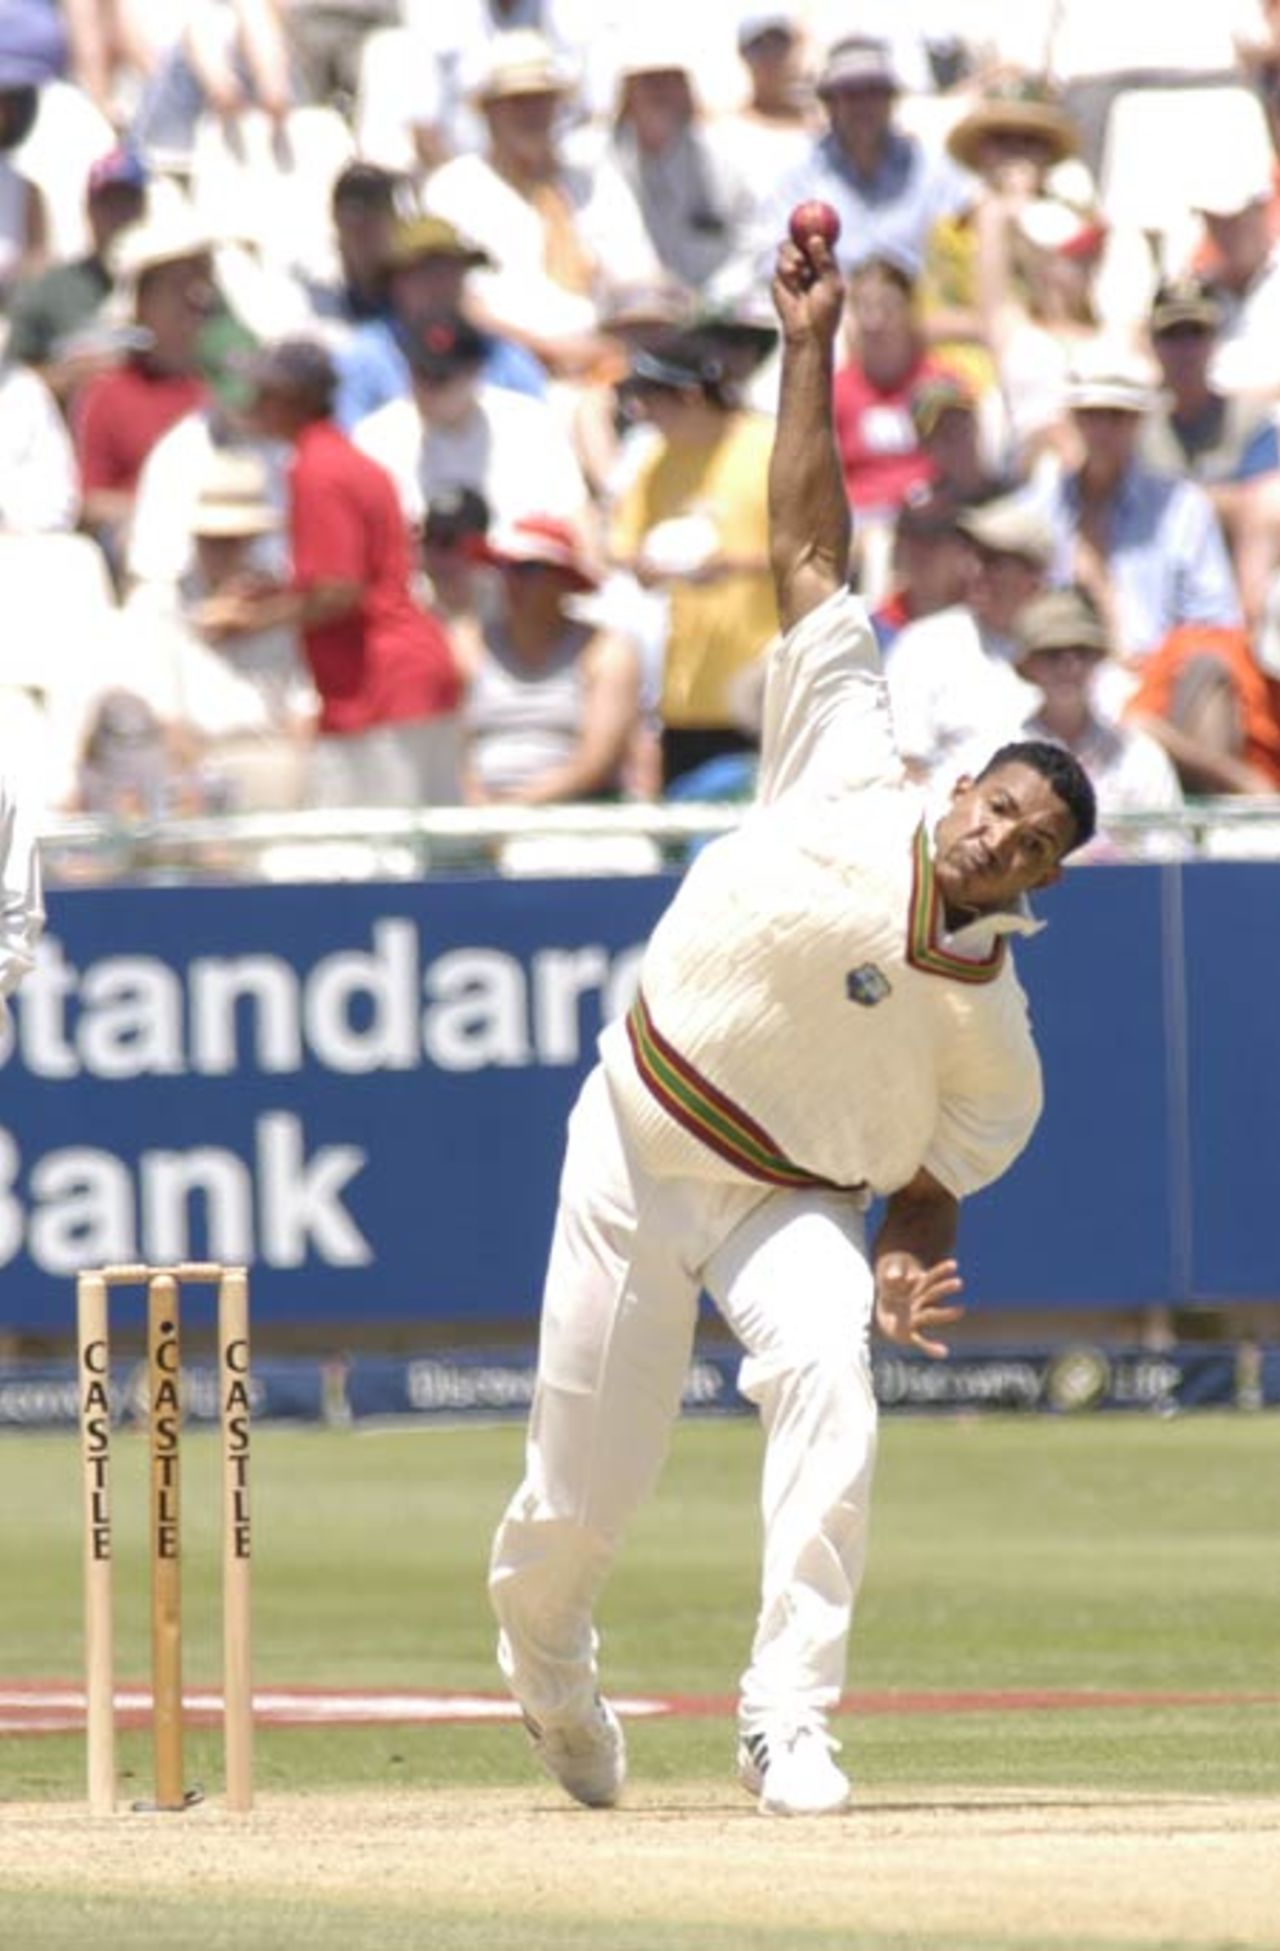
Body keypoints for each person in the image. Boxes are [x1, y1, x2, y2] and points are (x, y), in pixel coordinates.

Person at [487, 229, 1097, 1819]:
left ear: (1040, 879)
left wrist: (909, 1235)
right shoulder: (850, 754)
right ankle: (548, 1659)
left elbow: (941, 1166)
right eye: (1003, 808)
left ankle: (788, 1714)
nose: (1001, 839)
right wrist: (807, 343)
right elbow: (812, 545)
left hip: (786, 1200)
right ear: (966, 787)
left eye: (1034, 845)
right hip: (638, 1136)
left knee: (834, 1364)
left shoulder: (996, 1029)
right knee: (583, 1494)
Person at [226, 336, 462, 808]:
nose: (254, 404)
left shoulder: (317, 469)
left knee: (378, 857)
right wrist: (277, 594)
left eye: (266, 393)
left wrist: (249, 621)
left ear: (295, 400)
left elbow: (338, 592)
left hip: (380, 684)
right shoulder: (344, 459)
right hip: (403, 675)